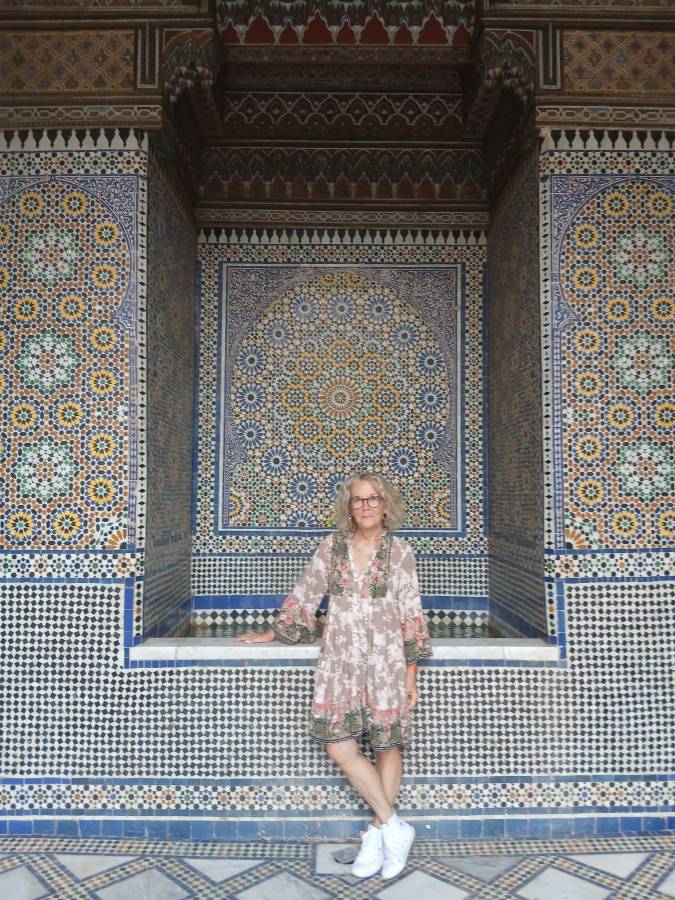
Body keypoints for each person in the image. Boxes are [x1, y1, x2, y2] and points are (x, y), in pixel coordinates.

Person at [237, 471, 432, 880]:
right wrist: (275, 631)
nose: (366, 506)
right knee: (339, 745)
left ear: (385, 505)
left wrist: (410, 673)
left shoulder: (400, 552)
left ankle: (376, 836)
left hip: (386, 661)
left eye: (373, 498)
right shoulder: (331, 546)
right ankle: (395, 826)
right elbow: (307, 593)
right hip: (340, 660)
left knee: (387, 745)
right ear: (349, 506)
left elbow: (411, 612)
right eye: (358, 500)